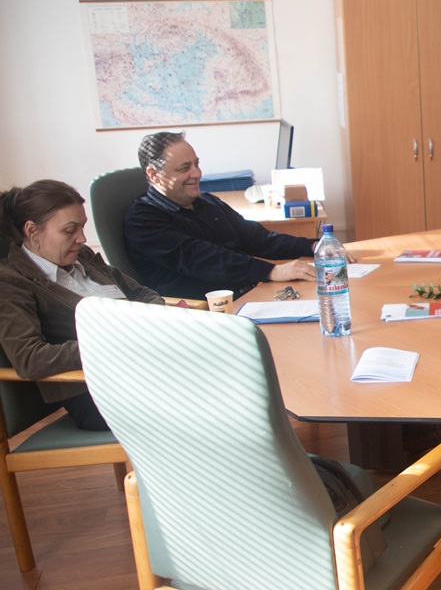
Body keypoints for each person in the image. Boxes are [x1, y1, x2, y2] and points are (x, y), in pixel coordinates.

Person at [0, 180, 164, 430]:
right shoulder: (11, 281)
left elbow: (143, 295)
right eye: (70, 230)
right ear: (32, 231)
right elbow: (29, 359)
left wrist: (157, 323)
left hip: (148, 368)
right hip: (99, 393)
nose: (82, 238)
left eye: (82, 227)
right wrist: (112, 344)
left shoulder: (83, 256)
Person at [125, 132, 318, 300]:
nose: (197, 173)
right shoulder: (142, 220)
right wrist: (272, 271)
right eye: (185, 168)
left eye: (196, 164)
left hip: (248, 292)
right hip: (207, 310)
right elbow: (203, 260)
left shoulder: (206, 201)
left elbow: (258, 238)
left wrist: (314, 246)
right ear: (154, 175)